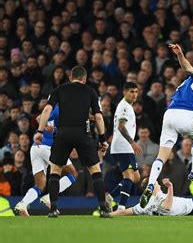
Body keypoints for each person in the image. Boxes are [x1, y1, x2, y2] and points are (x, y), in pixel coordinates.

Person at [140, 44, 193, 208]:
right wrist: (180, 54)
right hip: (185, 114)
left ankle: (150, 183)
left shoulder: (191, 87)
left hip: (169, 115)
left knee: (162, 155)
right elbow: (187, 67)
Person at [34, 66, 110, 218]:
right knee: (95, 170)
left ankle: (53, 209)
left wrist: (40, 131)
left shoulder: (58, 90)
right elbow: (99, 117)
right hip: (83, 133)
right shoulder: (91, 92)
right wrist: (102, 140)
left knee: (55, 170)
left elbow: (47, 111)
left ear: (70, 77)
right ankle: (103, 208)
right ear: (84, 79)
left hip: (62, 133)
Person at [14, 105, 78, 216]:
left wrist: (47, 126)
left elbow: (39, 118)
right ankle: (49, 197)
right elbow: (39, 118)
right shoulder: (60, 108)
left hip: (36, 148)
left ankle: (23, 204)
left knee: (40, 185)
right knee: (73, 173)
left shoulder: (53, 108)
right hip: (49, 148)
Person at [108, 82, 143, 211]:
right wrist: (132, 142)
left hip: (125, 147)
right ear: (124, 92)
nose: (134, 95)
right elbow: (121, 126)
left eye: (136, 92)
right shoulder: (124, 107)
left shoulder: (127, 106)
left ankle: (110, 197)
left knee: (136, 177)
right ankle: (121, 207)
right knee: (129, 177)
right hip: (123, 146)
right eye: (131, 92)